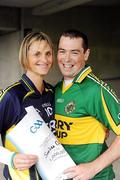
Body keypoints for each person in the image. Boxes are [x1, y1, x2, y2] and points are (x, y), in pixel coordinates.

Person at [53, 29, 120, 180]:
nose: (67, 58)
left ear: (86, 54)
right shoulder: (57, 89)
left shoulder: (96, 90)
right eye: (62, 51)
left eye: (74, 52)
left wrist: (93, 167)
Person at [0, 32, 54, 179]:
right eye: (37, 54)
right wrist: (10, 158)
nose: (44, 59)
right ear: (25, 57)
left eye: (48, 53)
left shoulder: (52, 92)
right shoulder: (12, 96)